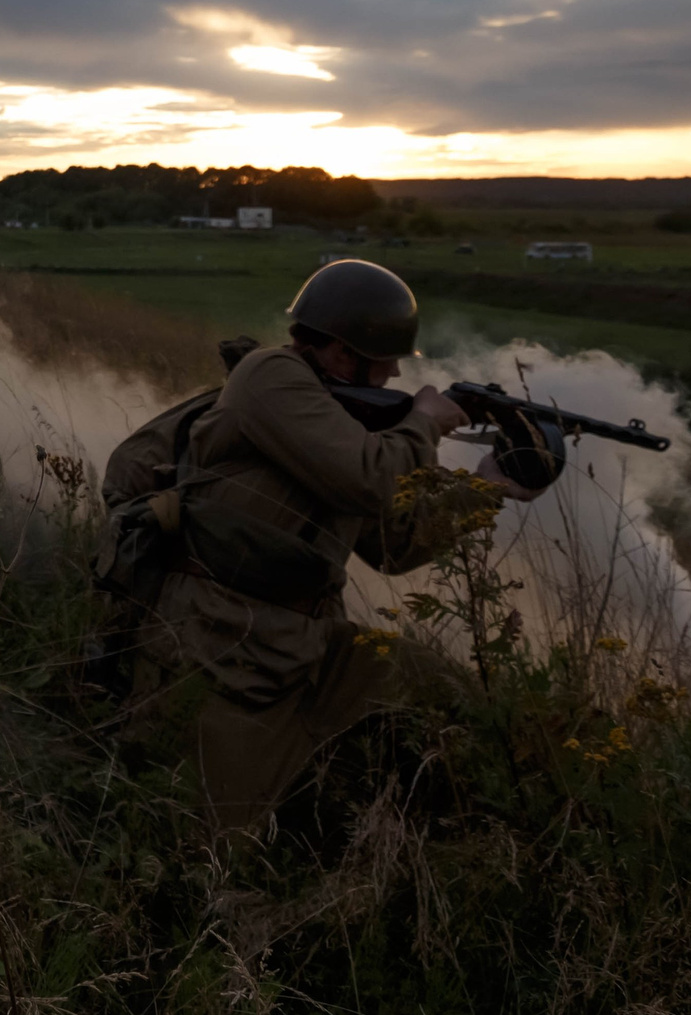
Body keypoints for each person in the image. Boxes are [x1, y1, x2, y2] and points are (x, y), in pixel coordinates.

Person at [129, 259, 547, 838]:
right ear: (342, 353)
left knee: (447, 695)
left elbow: (395, 546)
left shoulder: (338, 424)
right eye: (386, 361)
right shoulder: (269, 376)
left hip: (306, 647)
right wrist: (423, 423)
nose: (397, 372)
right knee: (213, 850)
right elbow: (371, 479)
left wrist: (488, 488)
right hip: (226, 649)